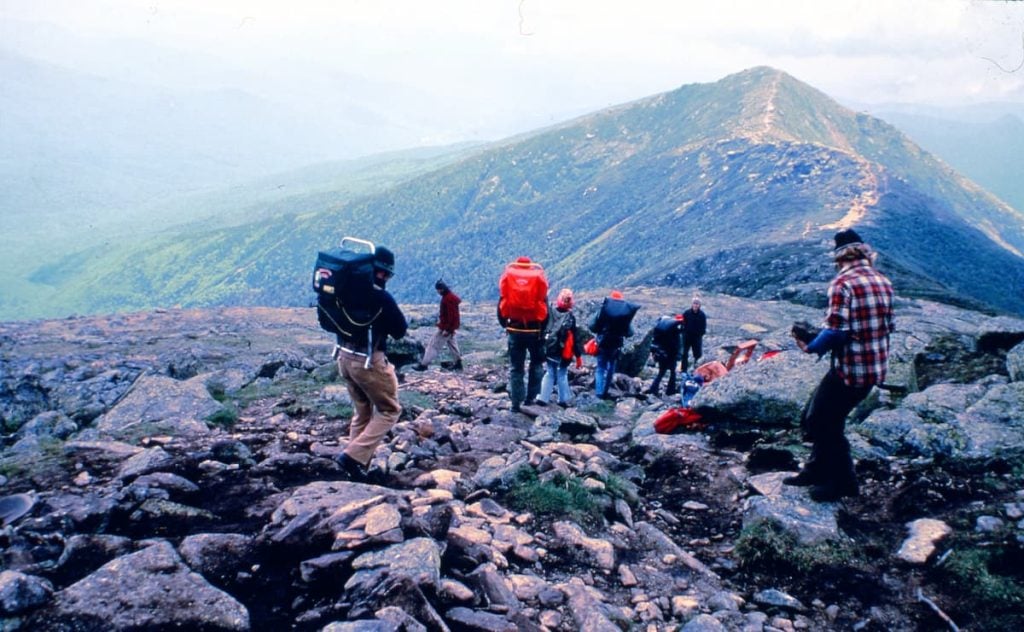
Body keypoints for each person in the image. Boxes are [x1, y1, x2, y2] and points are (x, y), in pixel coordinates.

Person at [786, 229, 894, 502]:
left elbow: (835, 331)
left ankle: (842, 482)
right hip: (874, 368)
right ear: (864, 253)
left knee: (823, 422)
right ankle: (815, 469)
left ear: (839, 257)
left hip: (851, 369)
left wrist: (811, 345)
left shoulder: (843, 283)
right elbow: (888, 326)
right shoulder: (883, 281)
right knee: (818, 414)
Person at [334, 246, 409, 482]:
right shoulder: (380, 297)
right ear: (375, 270)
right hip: (367, 361)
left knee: (363, 411)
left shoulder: (343, 288)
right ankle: (352, 458)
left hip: (343, 358)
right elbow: (400, 330)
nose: (385, 278)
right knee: (390, 410)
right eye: (384, 273)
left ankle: (356, 467)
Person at [497, 256, 549, 412]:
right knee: (536, 364)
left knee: (516, 368)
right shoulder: (537, 278)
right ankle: (531, 399)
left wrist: (506, 326)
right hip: (535, 331)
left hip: (515, 330)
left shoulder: (509, 278)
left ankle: (515, 404)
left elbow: (500, 309)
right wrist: (542, 330)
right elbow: (545, 310)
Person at [589, 290, 639, 400]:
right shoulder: (624, 314)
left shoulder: (604, 309)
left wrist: (599, 330)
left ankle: (599, 392)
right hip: (616, 345)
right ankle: (606, 391)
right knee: (611, 367)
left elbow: (592, 325)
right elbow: (630, 333)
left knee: (600, 368)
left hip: (602, 342)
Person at [538, 289, 584, 406]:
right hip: (564, 353)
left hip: (549, 349)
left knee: (549, 373)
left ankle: (543, 398)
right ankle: (563, 399)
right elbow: (574, 339)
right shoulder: (570, 318)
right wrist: (578, 357)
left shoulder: (550, 313)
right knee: (562, 374)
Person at [414, 279, 462, 371]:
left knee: (433, 345)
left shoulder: (448, 299)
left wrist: (447, 329)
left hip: (445, 327)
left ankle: (424, 364)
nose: (438, 292)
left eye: (438, 290)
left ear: (442, 289)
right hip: (449, 328)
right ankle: (458, 363)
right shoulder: (450, 297)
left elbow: (451, 316)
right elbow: (453, 316)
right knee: (452, 345)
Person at [647, 314, 683, 396]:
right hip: (670, 355)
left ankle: (653, 389)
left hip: (660, 353)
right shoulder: (676, 332)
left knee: (661, 372)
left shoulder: (664, 330)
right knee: (673, 372)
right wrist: (678, 356)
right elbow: (676, 345)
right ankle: (670, 391)